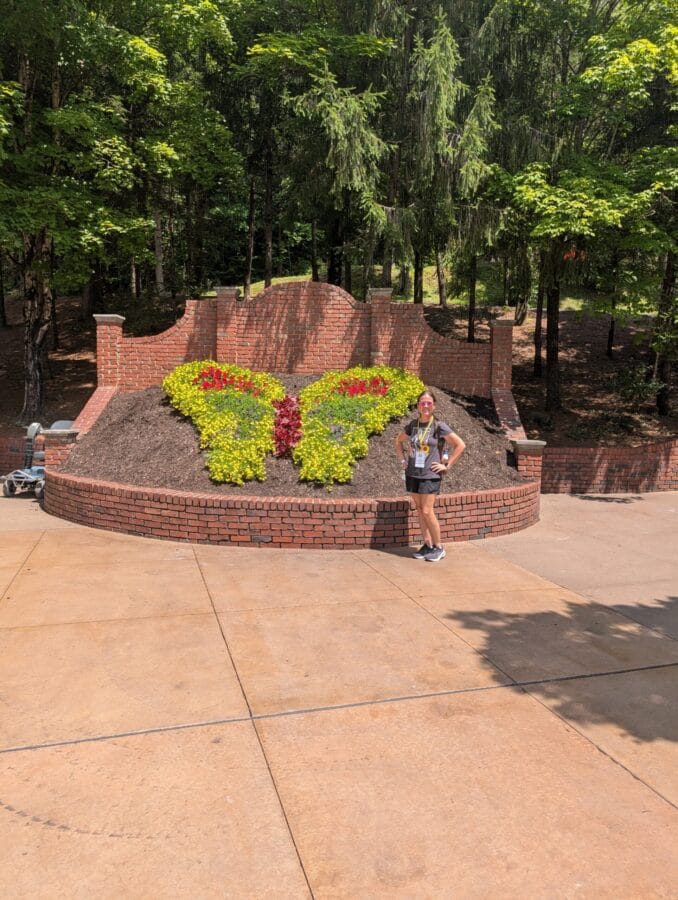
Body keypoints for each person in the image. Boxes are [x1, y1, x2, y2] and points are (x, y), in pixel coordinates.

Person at [394, 390, 466, 561]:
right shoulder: (413, 425)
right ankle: (427, 545)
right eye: (422, 403)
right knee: (420, 510)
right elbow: (398, 441)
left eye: (429, 403)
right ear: (418, 406)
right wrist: (403, 460)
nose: (425, 406)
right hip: (413, 473)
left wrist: (446, 465)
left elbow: (460, 445)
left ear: (434, 406)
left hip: (430, 475)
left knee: (427, 511)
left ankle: (439, 547)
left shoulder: (439, 426)